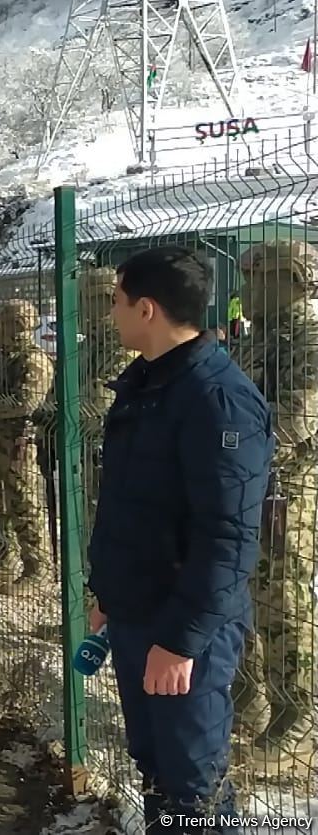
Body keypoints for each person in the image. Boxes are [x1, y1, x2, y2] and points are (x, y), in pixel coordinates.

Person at [88, 245, 272, 830]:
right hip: (140, 611)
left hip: (182, 625)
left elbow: (229, 537)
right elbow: (130, 508)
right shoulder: (148, 385)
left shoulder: (216, 399)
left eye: (115, 302)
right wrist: (109, 595)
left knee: (194, 780)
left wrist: (183, 640)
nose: (109, 314)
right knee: (156, 766)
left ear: (147, 310)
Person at [229, 241, 318, 754]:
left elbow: (294, 422)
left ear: (289, 280)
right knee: (245, 595)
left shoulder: (307, 337)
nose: (247, 289)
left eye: (257, 279)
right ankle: (250, 694)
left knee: (282, 599)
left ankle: (297, 708)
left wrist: (225, 445)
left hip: (286, 492)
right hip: (245, 487)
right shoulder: (260, 337)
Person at [0, 300, 54, 589]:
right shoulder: (1, 358)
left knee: (26, 506)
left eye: (3, 325)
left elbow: (26, 402)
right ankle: (4, 560)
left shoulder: (33, 359)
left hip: (20, 447)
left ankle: (37, 570)